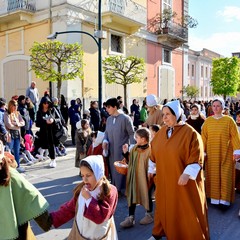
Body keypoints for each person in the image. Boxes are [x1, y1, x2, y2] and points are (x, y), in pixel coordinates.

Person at [148, 100, 209, 240]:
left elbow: (197, 155)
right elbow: (154, 152)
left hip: (182, 181)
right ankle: (159, 233)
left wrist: (187, 173)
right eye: (163, 114)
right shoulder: (162, 131)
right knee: (164, 206)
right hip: (165, 178)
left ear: (177, 114)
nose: (164, 118)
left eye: (168, 114)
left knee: (184, 209)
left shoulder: (191, 133)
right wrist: (151, 168)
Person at [50, 155, 118, 240]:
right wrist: (51, 219)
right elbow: (70, 208)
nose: (85, 180)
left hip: (100, 237)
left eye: (88, 175)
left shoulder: (109, 191)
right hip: (80, 235)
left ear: (98, 173)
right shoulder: (81, 190)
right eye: (82, 176)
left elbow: (101, 217)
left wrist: (89, 199)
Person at [0, 141, 52, 239]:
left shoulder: (10, 173)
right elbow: (30, 195)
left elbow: (29, 193)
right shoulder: (10, 172)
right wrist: (47, 221)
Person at [201, 98, 240, 209]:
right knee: (213, 176)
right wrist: (202, 151)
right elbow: (203, 137)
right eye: (214, 106)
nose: (216, 108)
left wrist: (237, 151)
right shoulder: (208, 121)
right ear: (211, 107)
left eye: (218, 106)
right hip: (211, 153)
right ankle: (214, 199)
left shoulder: (229, 120)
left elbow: (235, 136)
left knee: (225, 176)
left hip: (226, 153)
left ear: (223, 107)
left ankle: (224, 201)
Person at [120, 128, 153, 228]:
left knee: (146, 195)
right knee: (132, 195)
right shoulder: (134, 148)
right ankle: (131, 217)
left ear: (143, 139)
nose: (135, 139)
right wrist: (125, 153)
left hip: (146, 178)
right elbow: (130, 161)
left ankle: (149, 215)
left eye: (137, 137)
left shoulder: (151, 150)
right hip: (133, 177)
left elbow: (153, 165)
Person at [103, 98, 135, 194]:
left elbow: (131, 133)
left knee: (122, 169)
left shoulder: (125, 118)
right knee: (112, 168)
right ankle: (114, 188)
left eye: (108, 107)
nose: (107, 110)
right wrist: (105, 140)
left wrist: (131, 147)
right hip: (111, 150)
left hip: (122, 150)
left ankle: (123, 189)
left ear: (115, 107)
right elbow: (106, 133)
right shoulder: (109, 119)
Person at [36, 96, 58, 168]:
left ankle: (53, 159)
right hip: (43, 131)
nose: (46, 104)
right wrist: (45, 121)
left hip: (52, 131)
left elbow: (58, 118)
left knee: (51, 145)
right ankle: (41, 156)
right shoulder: (39, 112)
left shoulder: (52, 110)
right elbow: (37, 123)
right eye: (45, 103)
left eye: (48, 103)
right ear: (42, 103)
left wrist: (53, 120)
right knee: (42, 145)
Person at [4, 100, 25, 173]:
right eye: (14, 105)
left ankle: (17, 166)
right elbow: (8, 125)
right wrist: (17, 125)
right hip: (10, 135)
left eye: (16, 105)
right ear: (10, 106)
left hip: (17, 135)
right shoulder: (6, 114)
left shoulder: (17, 113)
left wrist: (16, 124)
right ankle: (8, 167)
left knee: (17, 151)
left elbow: (23, 122)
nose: (16, 107)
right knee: (9, 151)